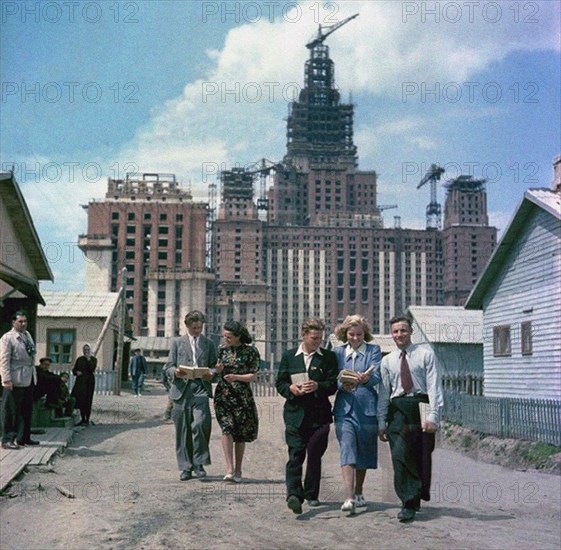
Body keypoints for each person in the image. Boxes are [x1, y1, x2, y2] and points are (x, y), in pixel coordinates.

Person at [377, 315, 444, 523]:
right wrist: (381, 421)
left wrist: (434, 416)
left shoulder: (425, 355)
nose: (399, 335)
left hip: (421, 404)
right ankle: (408, 502)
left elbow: (434, 386)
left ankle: (418, 491)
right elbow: (384, 393)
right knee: (399, 455)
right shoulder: (387, 360)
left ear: (411, 331)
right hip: (397, 408)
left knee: (421, 454)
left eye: (403, 330)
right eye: (396, 331)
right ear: (392, 334)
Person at [275, 318, 338, 514]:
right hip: (295, 415)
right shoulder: (289, 356)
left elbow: (333, 384)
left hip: (320, 417)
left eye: (320, 338)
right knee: (295, 455)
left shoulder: (328, 357)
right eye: (313, 338)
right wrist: (290, 389)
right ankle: (294, 495)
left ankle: (312, 494)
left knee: (314, 456)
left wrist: (319, 386)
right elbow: (280, 382)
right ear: (303, 335)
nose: (317, 341)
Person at [333, 315, 382, 515]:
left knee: (364, 450)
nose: (355, 338)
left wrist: (365, 379)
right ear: (345, 334)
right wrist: (340, 384)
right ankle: (348, 497)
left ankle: (359, 490)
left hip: (367, 408)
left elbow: (377, 376)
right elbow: (331, 376)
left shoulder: (373, 350)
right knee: (347, 448)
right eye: (351, 334)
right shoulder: (337, 352)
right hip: (344, 409)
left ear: (365, 334)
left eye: (359, 334)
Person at [165, 310, 217, 481]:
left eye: (200, 328)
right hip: (181, 390)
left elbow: (214, 367)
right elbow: (168, 367)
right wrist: (176, 372)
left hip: (201, 389)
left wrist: (212, 373)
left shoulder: (209, 344)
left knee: (201, 424)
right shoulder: (177, 343)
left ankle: (199, 463)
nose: (197, 331)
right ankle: (186, 467)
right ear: (187, 326)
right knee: (183, 429)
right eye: (194, 328)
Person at [214, 320, 259, 483]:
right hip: (224, 395)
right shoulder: (221, 350)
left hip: (242, 397)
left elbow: (253, 375)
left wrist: (237, 377)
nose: (226, 339)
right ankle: (229, 470)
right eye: (224, 336)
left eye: (229, 336)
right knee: (226, 429)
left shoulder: (251, 352)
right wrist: (218, 371)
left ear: (238, 336)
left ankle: (238, 469)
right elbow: (216, 372)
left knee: (240, 433)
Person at [0, 311, 39, 449]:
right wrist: (6, 380)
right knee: (11, 411)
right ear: (13, 323)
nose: (23, 324)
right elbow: (4, 361)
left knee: (26, 410)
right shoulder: (8, 338)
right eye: (20, 321)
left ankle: (23, 437)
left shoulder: (27, 335)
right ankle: (7, 439)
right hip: (15, 379)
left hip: (28, 378)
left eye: (25, 321)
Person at [71, 344, 97, 426]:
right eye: (85, 350)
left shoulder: (93, 359)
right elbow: (74, 369)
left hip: (89, 382)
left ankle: (87, 419)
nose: (86, 351)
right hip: (80, 382)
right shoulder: (79, 359)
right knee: (81, 400)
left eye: (87, 350)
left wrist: (88, 359)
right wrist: (76, 372)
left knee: (88, 400)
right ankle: (82, 419)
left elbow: (92, 369)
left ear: (90, 350)